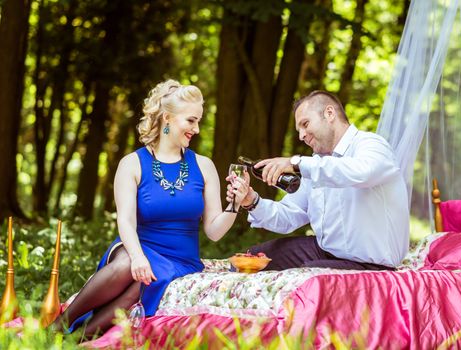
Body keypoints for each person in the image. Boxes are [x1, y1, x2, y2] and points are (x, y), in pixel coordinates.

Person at [52, 79, 249, 337]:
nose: (197, 129)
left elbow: (213, 231)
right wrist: (137, 256)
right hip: (136, 246)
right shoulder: (131, 164)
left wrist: (235, 204)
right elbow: (125, 222)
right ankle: (57, 326)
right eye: (191, 121)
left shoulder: (204, 165)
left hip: (180, 259)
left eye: (198, 121)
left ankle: (79, 337)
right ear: (168, 118)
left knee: (142, 285)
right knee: (128, 267)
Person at [229, 90, 409, 271]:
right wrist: (251, 201)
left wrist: (296, 163)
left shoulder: (371, 144)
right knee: (250, 261)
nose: (301, 135)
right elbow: (289, 215)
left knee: (307, 276)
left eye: (305, 124)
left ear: (329, 114)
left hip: (371, 264)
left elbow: (362, 171)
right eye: (299, 130)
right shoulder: (316, 163)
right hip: (326, 252)